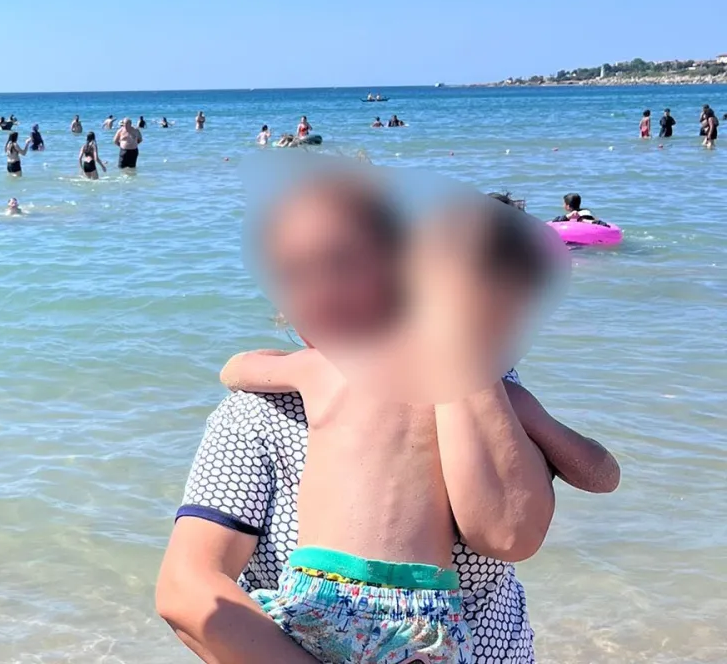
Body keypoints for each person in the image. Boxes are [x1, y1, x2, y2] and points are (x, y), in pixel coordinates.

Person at [157, 178, 619, 664]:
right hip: (404, 623)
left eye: (344, 264)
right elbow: (188, 588)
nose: (322, 293)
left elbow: (510, 532)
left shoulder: (482, 385)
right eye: (295, 275)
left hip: (348, 608)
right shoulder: (267, 407)